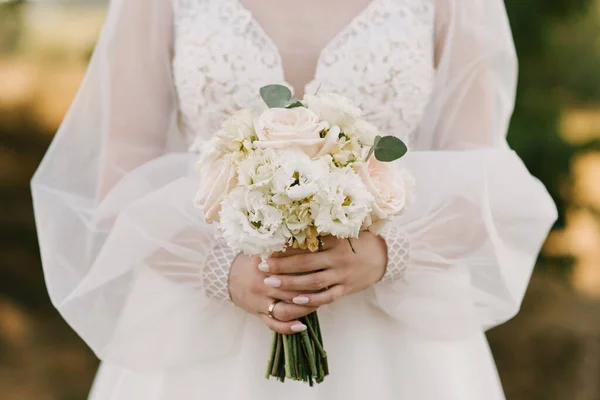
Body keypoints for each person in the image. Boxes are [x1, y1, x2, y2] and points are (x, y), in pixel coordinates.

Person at [31, 0, 557, 398]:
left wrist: (387, 252)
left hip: (395, 331)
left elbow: (481, 172)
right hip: (199, 323)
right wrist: (220, 268)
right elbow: (122, 174)